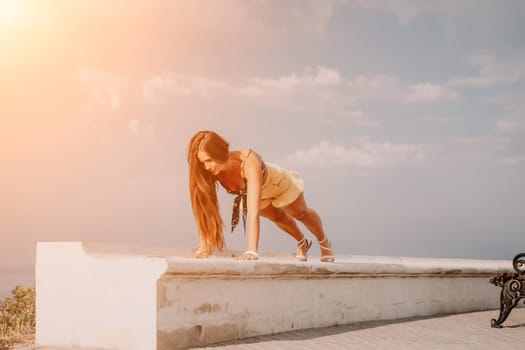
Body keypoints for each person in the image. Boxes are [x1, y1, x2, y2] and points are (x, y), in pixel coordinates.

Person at [187, 130, 335, 262]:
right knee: (278, 217)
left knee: (300, 214)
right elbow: (205, 210)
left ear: (219, 152)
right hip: (257, 194)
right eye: (203, 163)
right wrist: (204, 245)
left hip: (277, 183)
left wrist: (251, 251)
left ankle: (324, 242)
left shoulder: (248, 161)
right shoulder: (212, 172)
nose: (207, 167)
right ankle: (302, 242)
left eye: (209, 160)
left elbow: (253, 213)